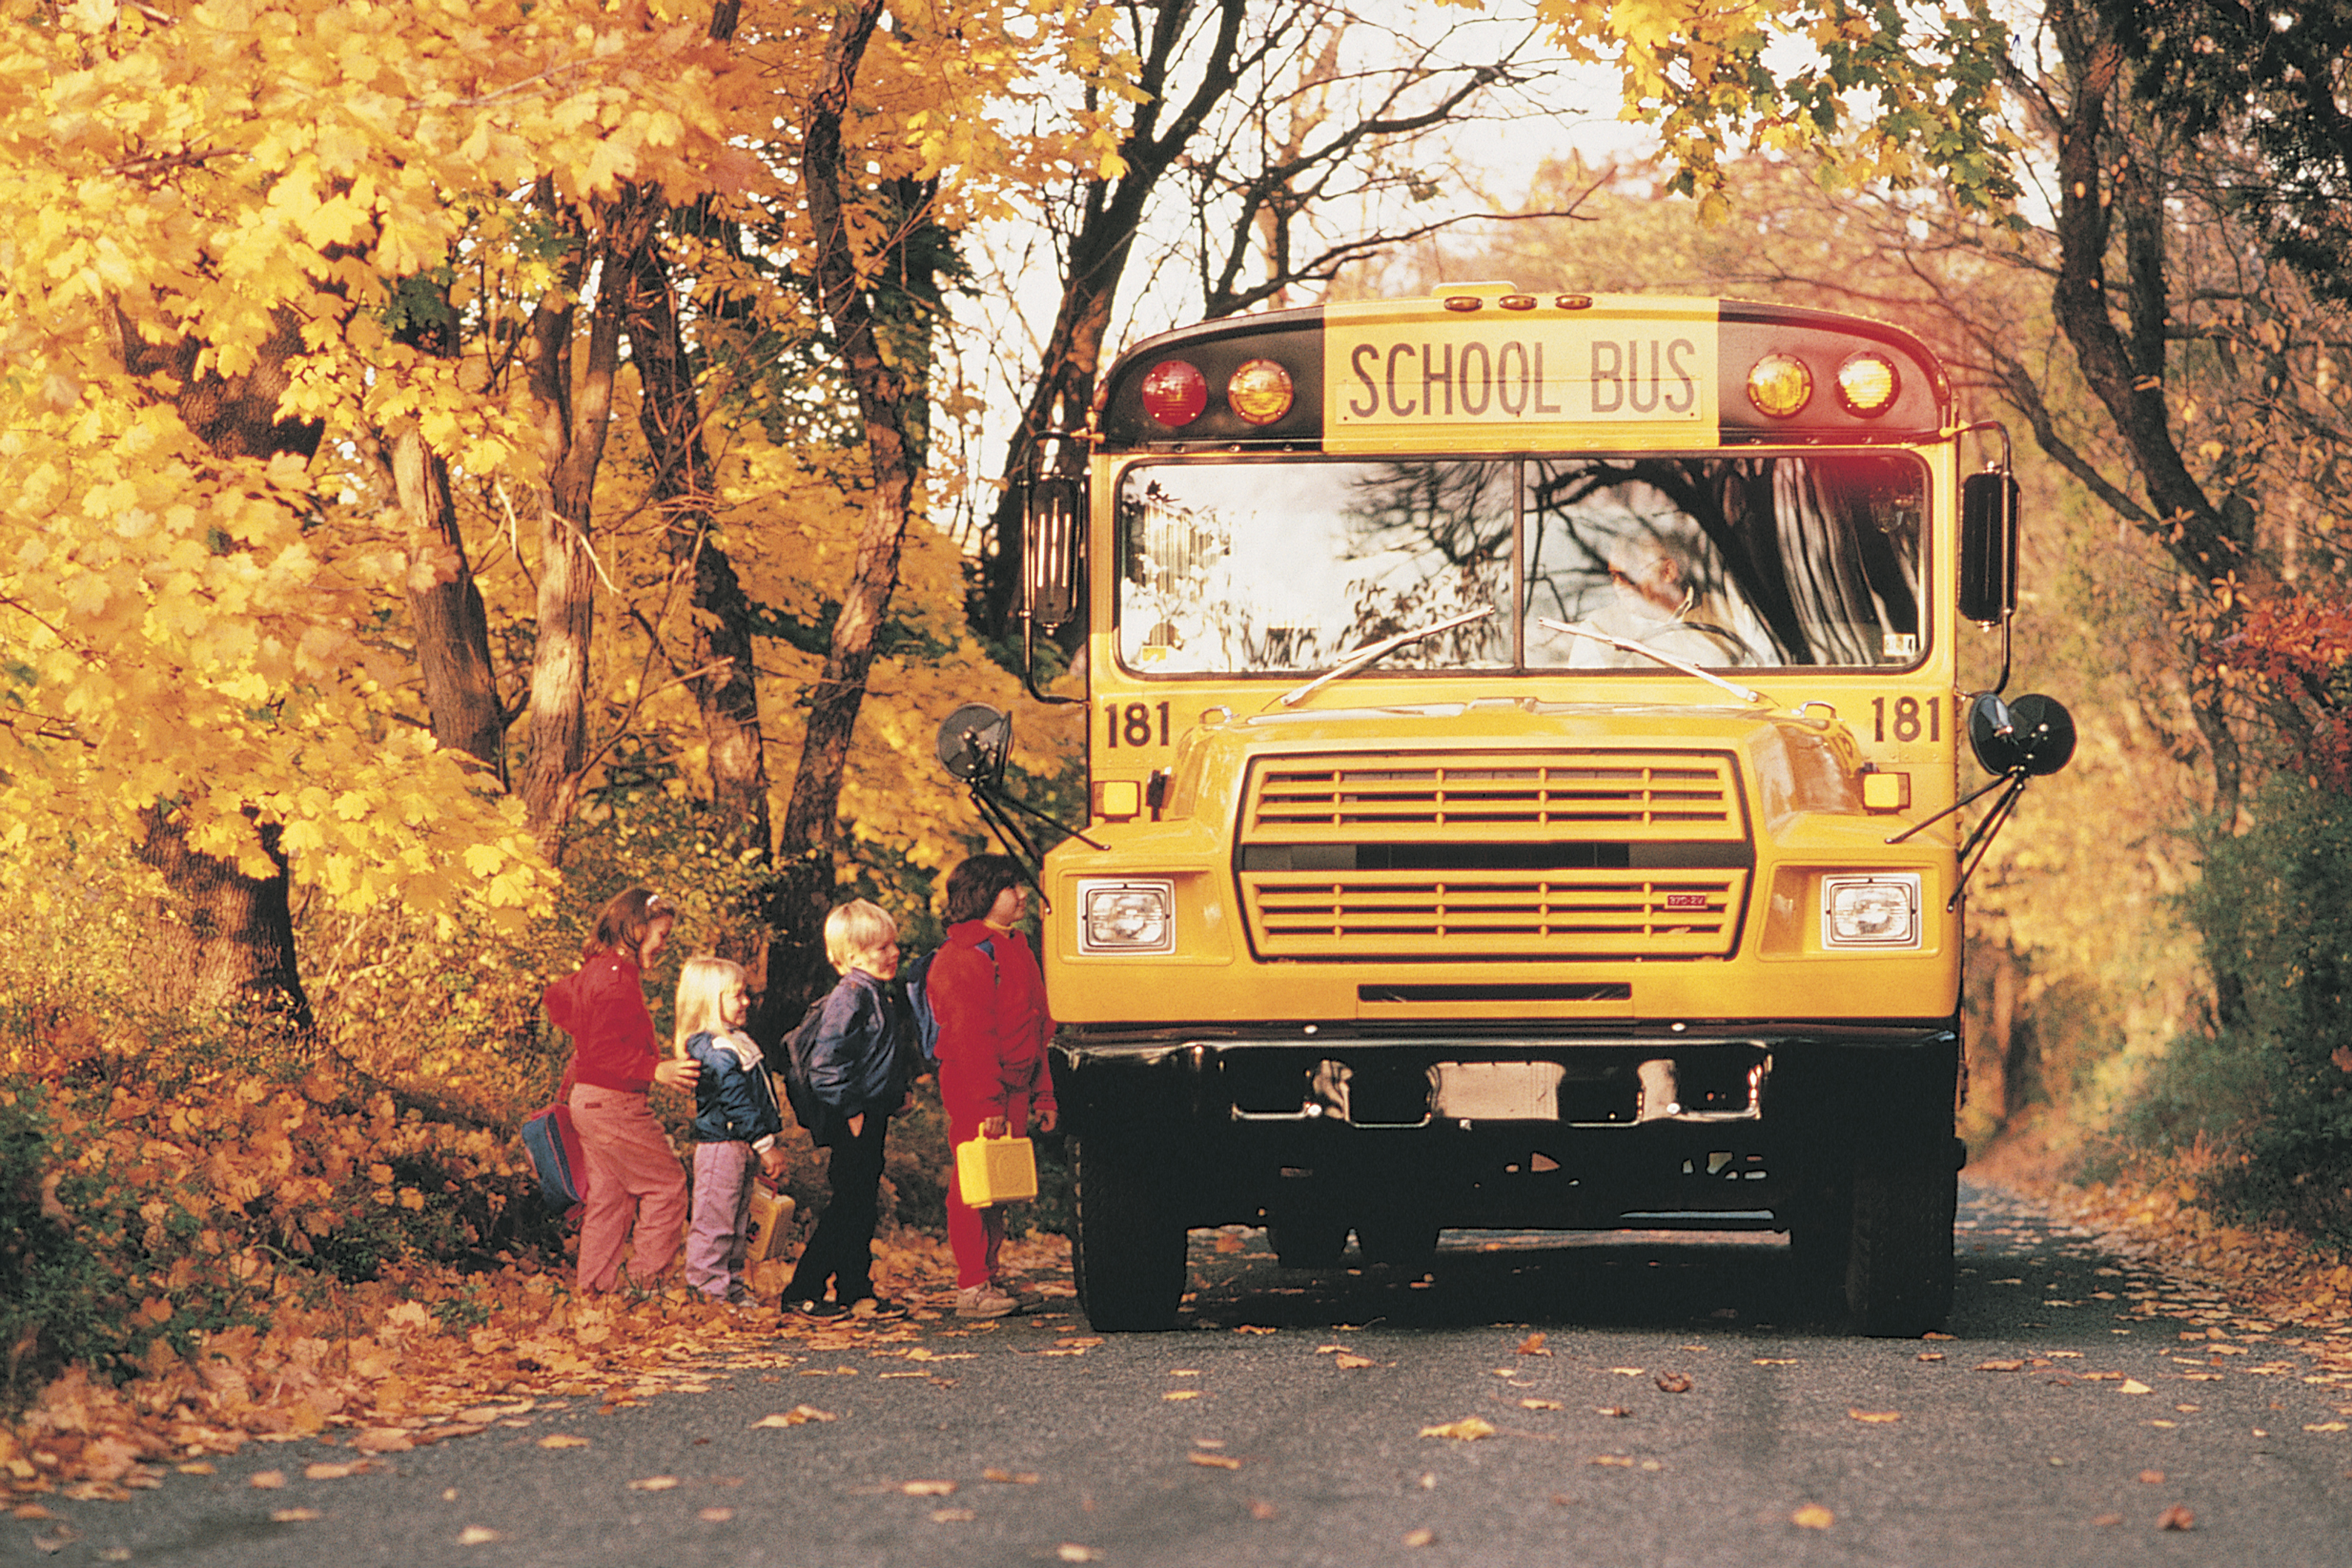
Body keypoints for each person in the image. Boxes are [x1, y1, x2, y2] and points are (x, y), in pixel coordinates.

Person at [541, 887, 699, 1296]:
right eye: (661, 935)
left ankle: (595, 1291)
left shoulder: (598, 971)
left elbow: (557, 998)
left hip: (589, 1102)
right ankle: (644, 1287)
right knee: (667, 1186)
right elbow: (603, 1048)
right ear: (635, 928)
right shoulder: (615, 981)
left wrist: (583, 1031)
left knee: (609, 1200)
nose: (663, 945)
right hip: (613, 1103)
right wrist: (655, 1068)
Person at [928, 854, 1058, 1319]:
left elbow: (1039, 1025)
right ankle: (971, 1286)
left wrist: (1044, 1094)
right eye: (1011, 888)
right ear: (984, 894)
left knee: (999, 1185)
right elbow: (970, 1037)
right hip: (977, 1090)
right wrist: (988, 1103)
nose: (1022, 895)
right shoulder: (963, 956)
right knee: (973, 1186)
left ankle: (990, 1275)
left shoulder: (1015, 946)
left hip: (1017, 1087)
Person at [781, 900, 915, 1322]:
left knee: (860, 1206)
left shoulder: (873, 994)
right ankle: (803, 1291)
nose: (892, 954)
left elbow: (872, 1059)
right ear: (852, 957)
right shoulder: (851, 996)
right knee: (848, 1207)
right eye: (881, 948)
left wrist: (897, 1095)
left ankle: (856, 1290)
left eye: (893, 944)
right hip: (853, 1120)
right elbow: (827, 1065)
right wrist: (851, 1110)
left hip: (870, 1115)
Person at [675, 955, 788, 1306]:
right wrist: (765, 1144)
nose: (746, 1002)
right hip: (721, 1147)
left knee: (739, 1222)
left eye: (745, 994)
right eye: (737, 995)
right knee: (715, 1223)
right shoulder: (713, 1048)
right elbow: (736, 1099)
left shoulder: (737, 1040)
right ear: (710, 1000)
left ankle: (731, 1287)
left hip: (741, 1145)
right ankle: (707, 1293)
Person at [1544, 531, 1751, 668]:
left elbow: (1766, 679)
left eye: (1628, 576)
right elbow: (1586, 710)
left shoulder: (1731, 614)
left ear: (1668, 572)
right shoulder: (1599, 631)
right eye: (1613, 577)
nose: (1618, 586)